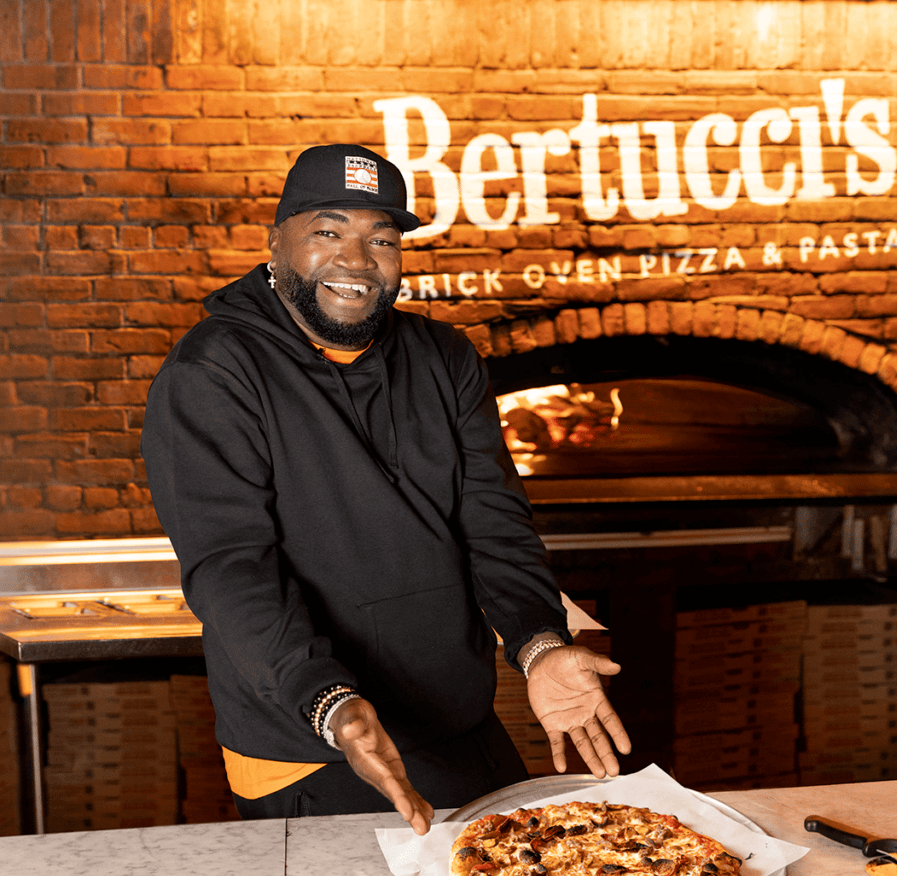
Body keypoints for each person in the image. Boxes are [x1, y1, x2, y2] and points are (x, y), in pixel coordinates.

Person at [142, 144, 630, 834]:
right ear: (275, 244)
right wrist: (329, 701)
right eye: (328, 232)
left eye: (382, 239)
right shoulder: (213, 372)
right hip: (310, 738)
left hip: (454, 718)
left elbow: (494, 525)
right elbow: (231, 564)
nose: (358, 260)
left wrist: (538, 643)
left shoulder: (444, 358)